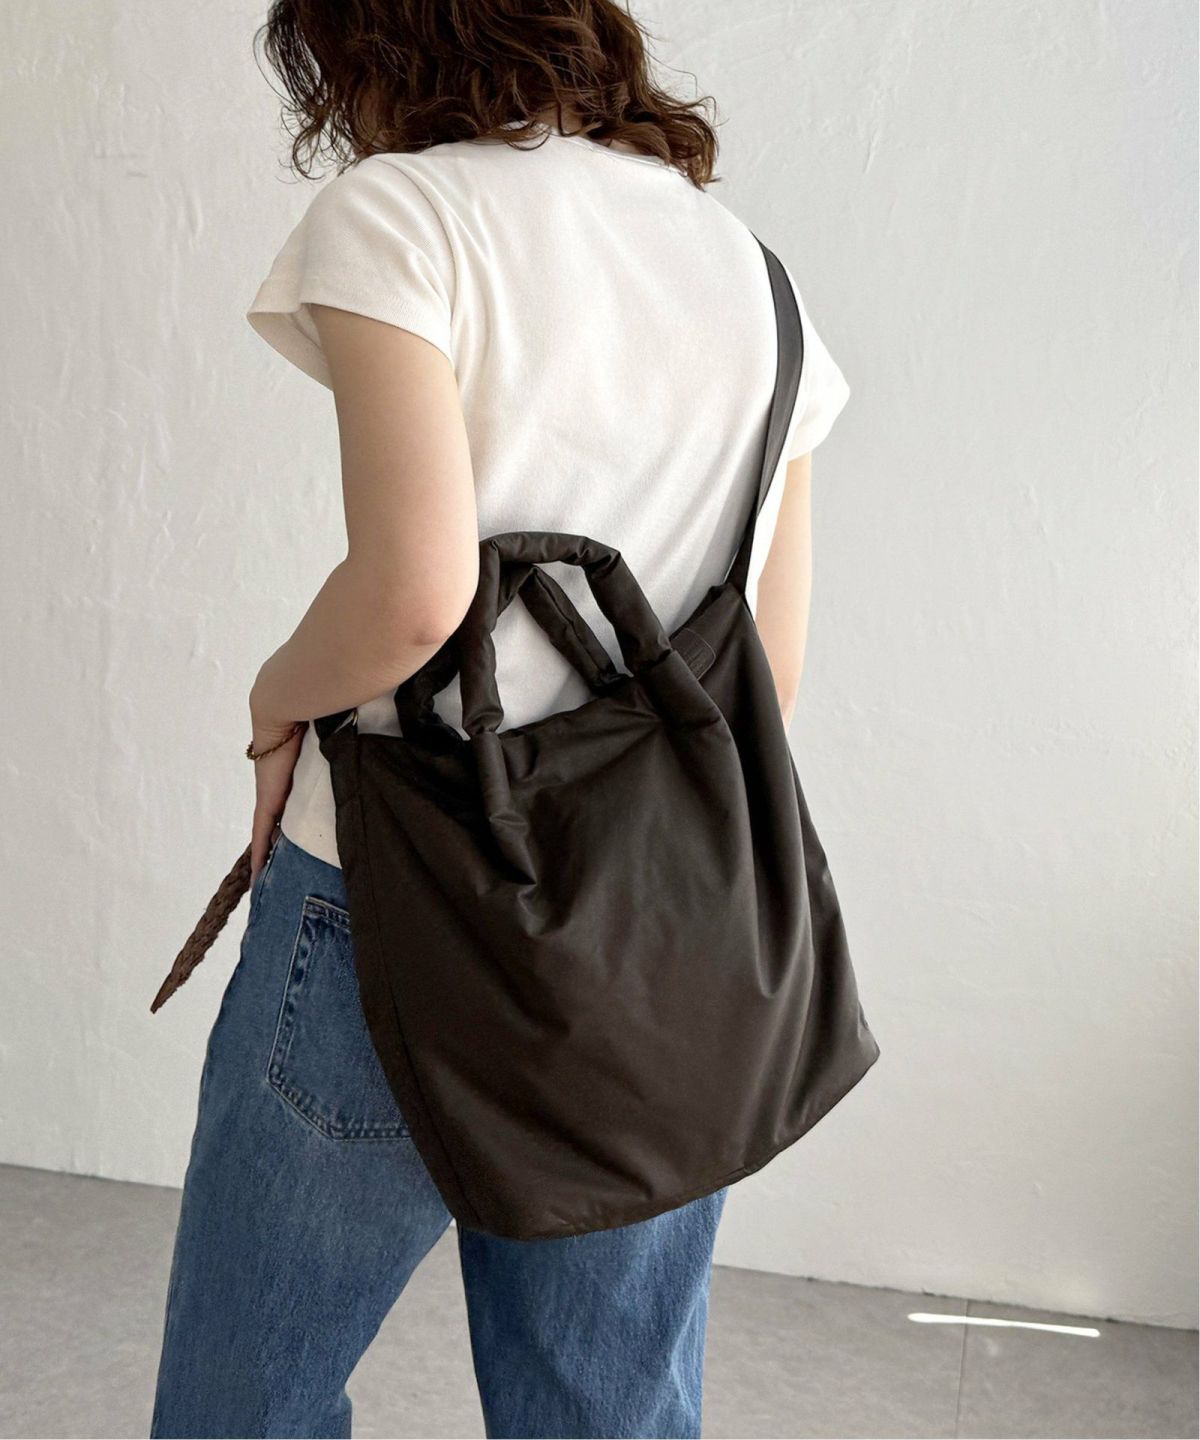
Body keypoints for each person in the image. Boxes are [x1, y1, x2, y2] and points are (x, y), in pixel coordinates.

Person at [150, 2, 852, 1436]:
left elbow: (418, 598)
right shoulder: (751, 275)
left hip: (393, 901)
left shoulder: (401, 216)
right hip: (653, 943)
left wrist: (273, 703)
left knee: (248, 1400)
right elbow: (764, 681)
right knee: (605, 1409)